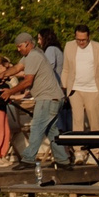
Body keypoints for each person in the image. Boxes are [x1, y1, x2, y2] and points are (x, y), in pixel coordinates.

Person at [13, 32, 66, 171]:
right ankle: (62, 159)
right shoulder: (32, 55)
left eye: (19, 46)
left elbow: (27, 81)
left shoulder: (34, 56)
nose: (18, 49)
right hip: (53, 97)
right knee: (51, 130)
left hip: (47, 98)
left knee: (37, 127)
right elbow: (17, 68)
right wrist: (0, 75)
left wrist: (9, 92)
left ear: (27, 43)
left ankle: (28, 158)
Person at [60, 25, 99, 133]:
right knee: (77, 120)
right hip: (75, 89)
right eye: (78, 40)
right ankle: (78, 148)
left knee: (94, 121)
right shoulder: (69, 46)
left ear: (89, 37)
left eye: (83, 40)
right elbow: (66, 68)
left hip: (93, 89)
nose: (81, 42)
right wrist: (63, 86)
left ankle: (96, 149)